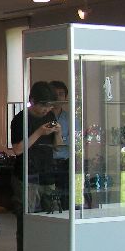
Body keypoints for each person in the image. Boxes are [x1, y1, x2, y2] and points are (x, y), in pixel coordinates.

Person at [10, 81, 61, 251]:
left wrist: (58, 132)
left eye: (50, 106)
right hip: (26, 175)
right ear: (32, 101)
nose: (46, 109)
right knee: (27, 221)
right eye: (43, 105)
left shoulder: (51, 115)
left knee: (53, 218)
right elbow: (17, 149)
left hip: (47, 173)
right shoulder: (20, 119)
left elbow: (57, 146)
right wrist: (39, 132)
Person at [49, 80, 71, 208]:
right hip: (46, 164)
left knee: (66, 198)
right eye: (54, 94)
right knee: (47, 201)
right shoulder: (43, 116)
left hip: (64, 164)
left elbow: (73, 141)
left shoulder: (70, 118)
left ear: (65, 97)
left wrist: (60, 139)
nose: (57, 97)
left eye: (61, 94)